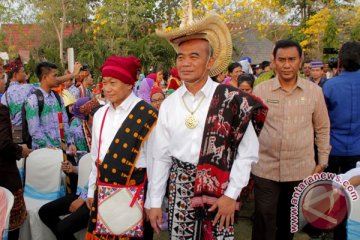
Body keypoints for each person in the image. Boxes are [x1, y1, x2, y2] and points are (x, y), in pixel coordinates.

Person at [149, 14, 268, 239]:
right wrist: (155, 202)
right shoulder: (169, 104)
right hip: (180, 188)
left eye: (194, 56)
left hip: (220, 192)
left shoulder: (232, 100)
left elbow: (248, 154)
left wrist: (232, 195)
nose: (185, 63)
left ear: (210, 62)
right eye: (181, 57)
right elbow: (161, 157)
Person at [251, 39, 331, 240]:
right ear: (274, 61)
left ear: (300, 61)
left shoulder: (314, 92)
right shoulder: (261, 90)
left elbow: (322, 127)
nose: (287, 65)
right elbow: (251, 127)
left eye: (292, 59)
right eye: (282, 59)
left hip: (300, 169)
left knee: (288, 222)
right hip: (265, 168)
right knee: (263, 217)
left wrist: (322, 161)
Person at [85, 56, 157, 240]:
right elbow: (96, 156)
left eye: (113, 83)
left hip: (135, 194)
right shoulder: (100, 114)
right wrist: (92, 188)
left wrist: (153, 202)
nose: (106, 89)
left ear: (129, 84)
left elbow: (156, 163)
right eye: (104, 83)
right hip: (104, 191)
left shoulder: (148, 115)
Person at [38, 99, 101, 240]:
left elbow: (102, 174)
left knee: (62, 229)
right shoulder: (94, 135)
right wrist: (73, 169)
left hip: (97, 198)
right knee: (44, 212)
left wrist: (83, 198)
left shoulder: (108, 140)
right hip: (85, 191)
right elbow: (93, 169)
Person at [322, 41, 360, 240]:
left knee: (336, 195)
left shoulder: (330, 85)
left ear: (340, 61)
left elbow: (322, 119)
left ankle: (337, 232)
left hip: (334, 149)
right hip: (357, 150)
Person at [25, 62, 75, 152]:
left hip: (61, 153)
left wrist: (70, 143)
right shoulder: (33, 100)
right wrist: (52, 148)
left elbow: (64, 122)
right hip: (43, 154)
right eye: (54, 76)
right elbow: (34, 131)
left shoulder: (58, 98)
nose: (57, 79)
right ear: (44, 77)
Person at [0, 103, 32, 240]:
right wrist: (21, 151)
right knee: (10, 225)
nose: (3, 82)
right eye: (1, 79)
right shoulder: (1, 110)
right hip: (5, 177)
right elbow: (4, 144)